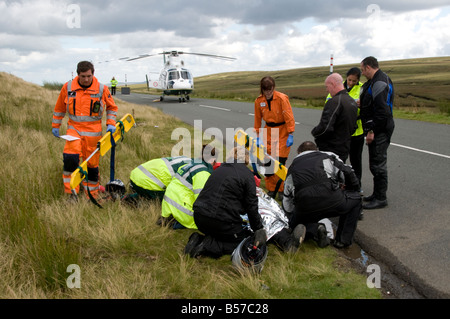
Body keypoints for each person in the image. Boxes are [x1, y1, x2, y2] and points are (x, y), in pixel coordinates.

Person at [185, 147, 305, 259]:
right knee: (246, 241)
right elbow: (252, 207)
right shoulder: (246, 175)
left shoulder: (218, 170)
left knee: (224, 233)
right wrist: (259, 229)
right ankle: (206, 246)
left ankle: (200, 239)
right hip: (220, 221)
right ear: (247, 160)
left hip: (200, 218)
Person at [52, 61, 118, 200]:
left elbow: (112, 108)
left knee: (92, 165)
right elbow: (59, 109)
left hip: (93, 133)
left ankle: (92, 194)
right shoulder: (68, 87)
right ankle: (71, 194)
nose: (86, 79)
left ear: (93, 74)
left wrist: (111, 123)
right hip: (74, 130)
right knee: (70, 159)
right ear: (78, 75)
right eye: (83, 76)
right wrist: (55, 126)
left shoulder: (102, 89)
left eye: (89, 76)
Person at [282, 141, 362, 248]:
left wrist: (291, 217)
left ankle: (316, 229)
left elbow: (287, 201)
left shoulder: (292, 168)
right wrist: (350, 189)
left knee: (297, 224)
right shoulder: (328, 156)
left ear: (299, 152)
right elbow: (347, 172)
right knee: (356, 200)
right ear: (316, 150)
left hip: (306, 208)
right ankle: (342, 240)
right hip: (332, 201)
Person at [359, 57, 395, 209]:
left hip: (380, 129)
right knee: (374, 162)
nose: (362, 73)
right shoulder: (373, 81)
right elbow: (371, 102)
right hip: (377, 127)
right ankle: (376, 194)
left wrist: (372, 131)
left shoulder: (380, 82)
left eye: (362, 70)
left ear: (368, 67)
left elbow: (382, 112)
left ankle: (381, 198)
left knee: (378, 164)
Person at [254, 76, 296, 199]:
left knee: (280, 162)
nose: (268, 93)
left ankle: (282, 189)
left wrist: (291, 134)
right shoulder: (258, 101)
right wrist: (257, 136)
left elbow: (289, 116)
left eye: (270, 90)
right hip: (268, 131)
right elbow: (257, 119)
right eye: (266, 90)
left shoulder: (282, 98)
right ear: (262, 89)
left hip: (283, 131)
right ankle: (271, 189)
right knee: (268, 162)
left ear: (274, 88)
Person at [160, 145, 217, 229]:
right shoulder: (202, 172)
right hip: (181, 210)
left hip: (168, 206)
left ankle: (170, 219)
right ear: (212, 159)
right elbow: (202, 199)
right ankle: (175, 223)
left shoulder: (191, 164)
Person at [325, 68, 364, 187]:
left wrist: (363, 104)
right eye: (349, 80)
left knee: (356, 160)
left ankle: (357, 185)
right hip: (341, 131)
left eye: (354, 81)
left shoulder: (363, 88)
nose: (351, 83)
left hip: (357, 131)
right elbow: (328, 101)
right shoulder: (339, 87)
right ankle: (340, 184)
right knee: (340, 160)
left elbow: (368, 105)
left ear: (358, 80)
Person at [311, 73, 358, 163]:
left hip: (331, 149)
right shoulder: (352, 101)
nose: (327, 90)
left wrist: (315, 132)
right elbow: (354, 127)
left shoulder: (334, 102)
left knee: (328, 174)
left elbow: (325, 127)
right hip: (344, 147)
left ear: (333, 84)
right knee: (338, 172)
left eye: (327, 87)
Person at [127, 156, 192, 202]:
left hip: (135, 174)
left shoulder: (187, 159)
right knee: (174, 203)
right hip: (144, 182)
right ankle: (135, 200)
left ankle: (136, 196)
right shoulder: (192, 170)